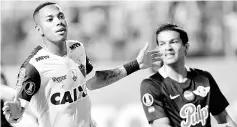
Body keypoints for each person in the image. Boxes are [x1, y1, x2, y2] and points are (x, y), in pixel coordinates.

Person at [2, 2, 161, 127]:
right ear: (39, 30)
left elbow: (94, 81)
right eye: (50, 19)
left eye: (61, 16)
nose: (58, 22)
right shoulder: (33, 67)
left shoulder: (77, 48)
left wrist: (136, 64)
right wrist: (14, 113)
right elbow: (18, 111)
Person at [140, 23, 237, 127]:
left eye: (173, 42)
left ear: (186, 47)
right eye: (162, 44)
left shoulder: (204, 78)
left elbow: (225, 119)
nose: (168, 47)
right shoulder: (152, 85)